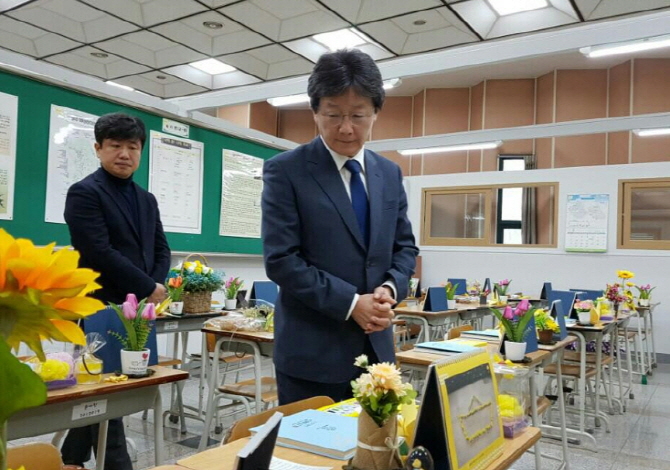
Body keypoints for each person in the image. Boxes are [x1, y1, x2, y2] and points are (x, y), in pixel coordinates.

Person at [261, 49, 418, 405]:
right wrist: (350, 303)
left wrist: (390, 290)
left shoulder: (388, 173)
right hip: (313, 356)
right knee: (310, 458)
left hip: (378, 351)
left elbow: (405, 248)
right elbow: (282, 259)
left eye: (358, 115)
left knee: (376, 454)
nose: (346, 128)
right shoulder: (286, 171)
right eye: (333, 115)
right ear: (315, 112)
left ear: (376, 113)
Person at [61, 112, 171, 470]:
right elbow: (97, 251)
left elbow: (161, 249)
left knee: (111, 385)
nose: (124, 153)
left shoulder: (147, 198)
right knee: (106, 388)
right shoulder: (84, 193)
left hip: (136, 308)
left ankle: (71, 458)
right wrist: (146, 285)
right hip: (98, 306)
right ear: (98, 148)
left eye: (132, 146)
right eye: (115, 146)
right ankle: (117, 463)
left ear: (141, 152)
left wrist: (153, 288)